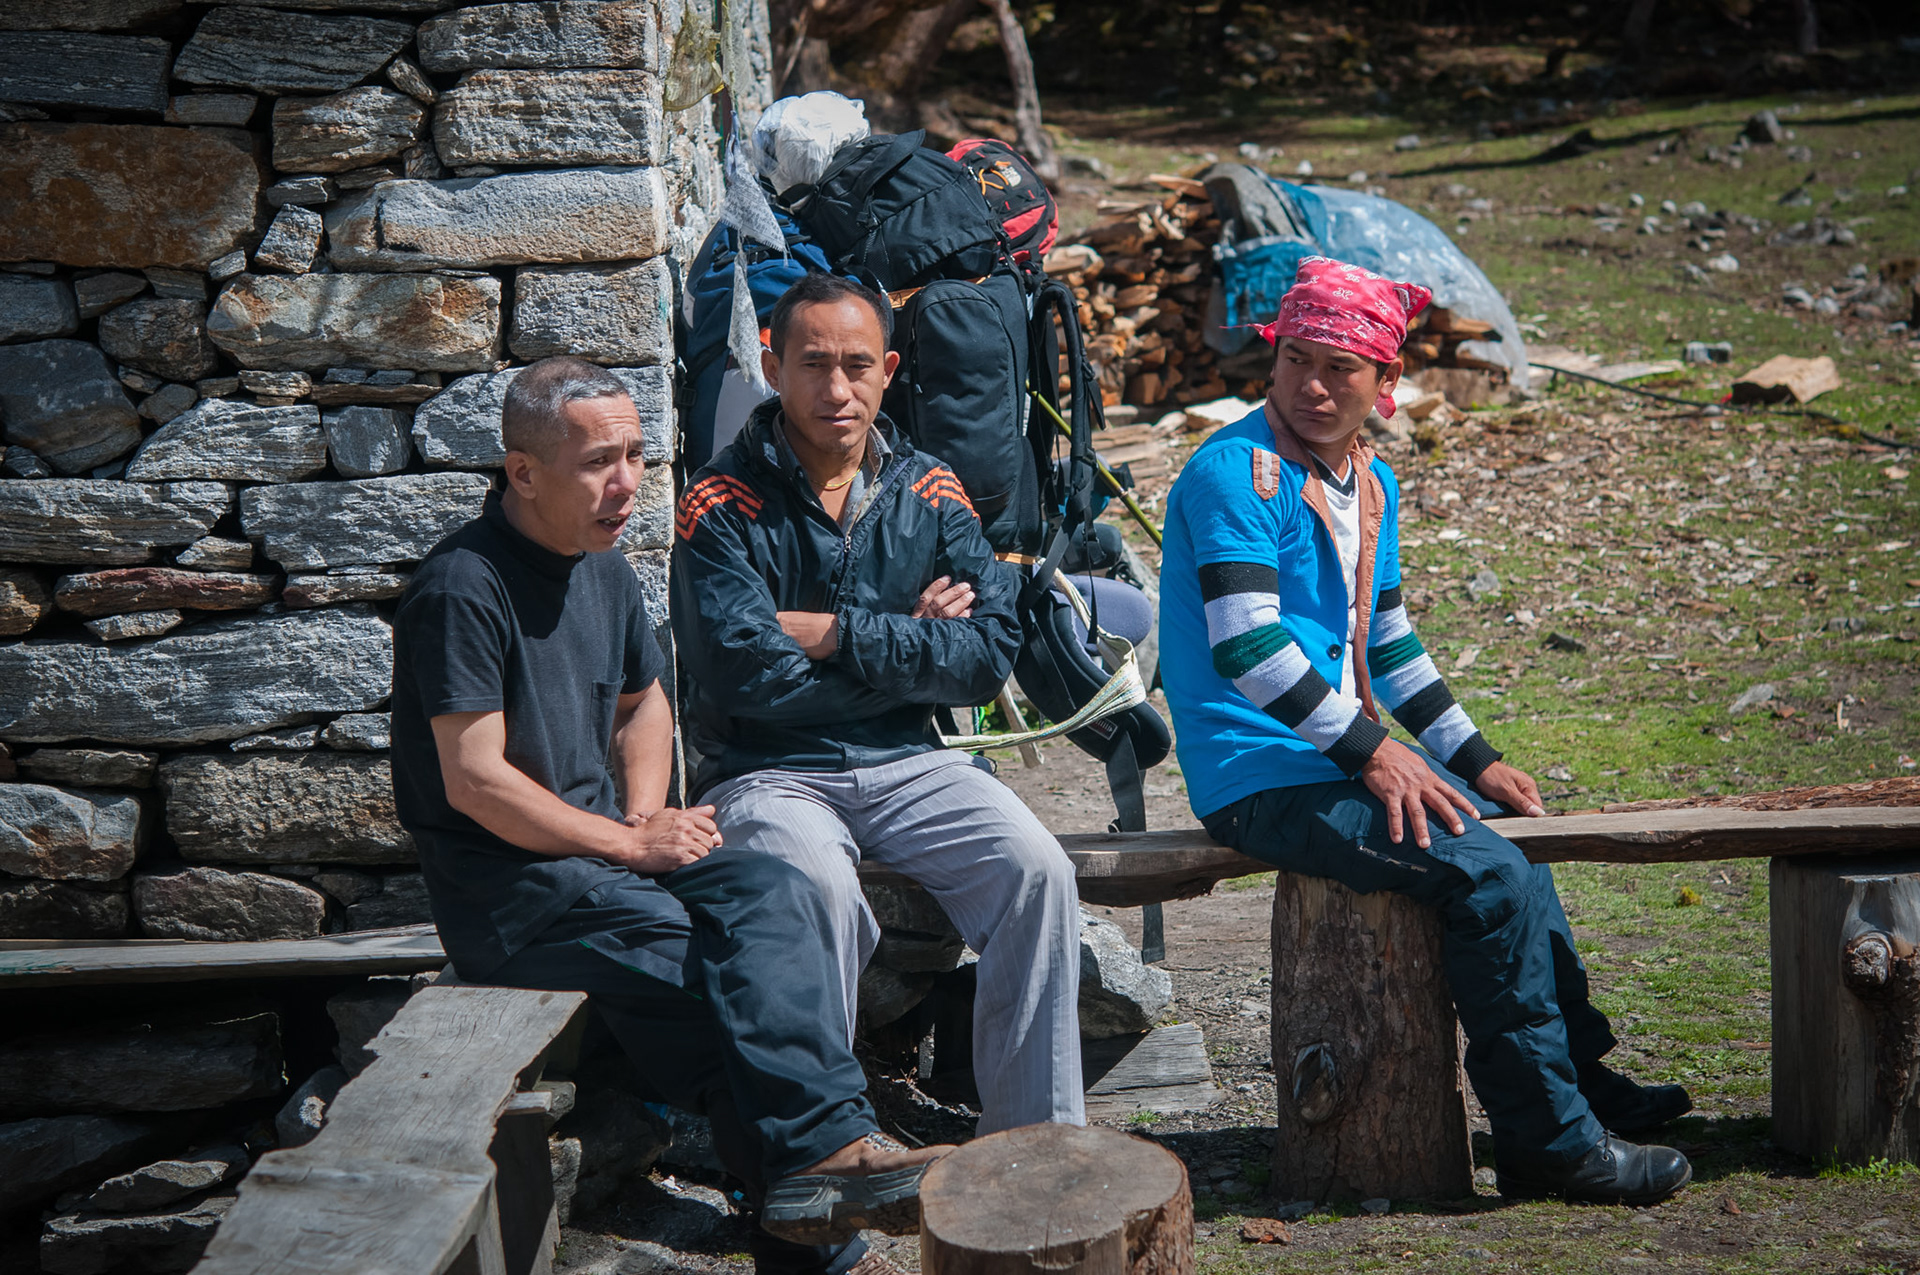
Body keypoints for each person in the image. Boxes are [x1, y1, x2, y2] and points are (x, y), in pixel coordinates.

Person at [389, 356, 946, 1272]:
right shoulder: (462, 588)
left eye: (638, 456)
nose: (627, 484)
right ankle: (818, 1194)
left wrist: (649, 821)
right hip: (516, 894)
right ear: (522, 473)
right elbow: (474, 781)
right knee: (728, 992)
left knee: (779, 888)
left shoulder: (598, 566)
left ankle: (820, 1170)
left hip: (607, 862)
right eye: (598, 461)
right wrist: (629, 842)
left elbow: (645, 699)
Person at [1158, 258, 1694, 1206]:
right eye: (1298, 362)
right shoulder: (1232, 473)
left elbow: (1390, 638)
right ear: (1272, 361)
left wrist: (1476, 760)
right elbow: (1247, 646)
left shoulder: (1370, 485)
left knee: (1516, 846)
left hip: (1330, 758)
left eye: (1342, 369)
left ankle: (1581, 1082)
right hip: (1259, 776)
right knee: (1486, 878)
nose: (1315, 385)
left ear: (1384, 384)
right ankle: (1550, 1143)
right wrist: (1375, 750)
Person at [671, 272, 1085, 1135]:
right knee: (814, 888)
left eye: (857, 364)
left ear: (889, 368)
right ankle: (824, 1147)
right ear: (770, 364)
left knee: (1036, 871)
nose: (836, 388)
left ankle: (1036, 1146)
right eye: (813, 364)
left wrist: (830, 632)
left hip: (909, 760)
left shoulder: (931, 488)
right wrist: (907, 639)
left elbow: (983, 660)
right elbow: (748, 678)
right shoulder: (718, 504)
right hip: (767, 772)